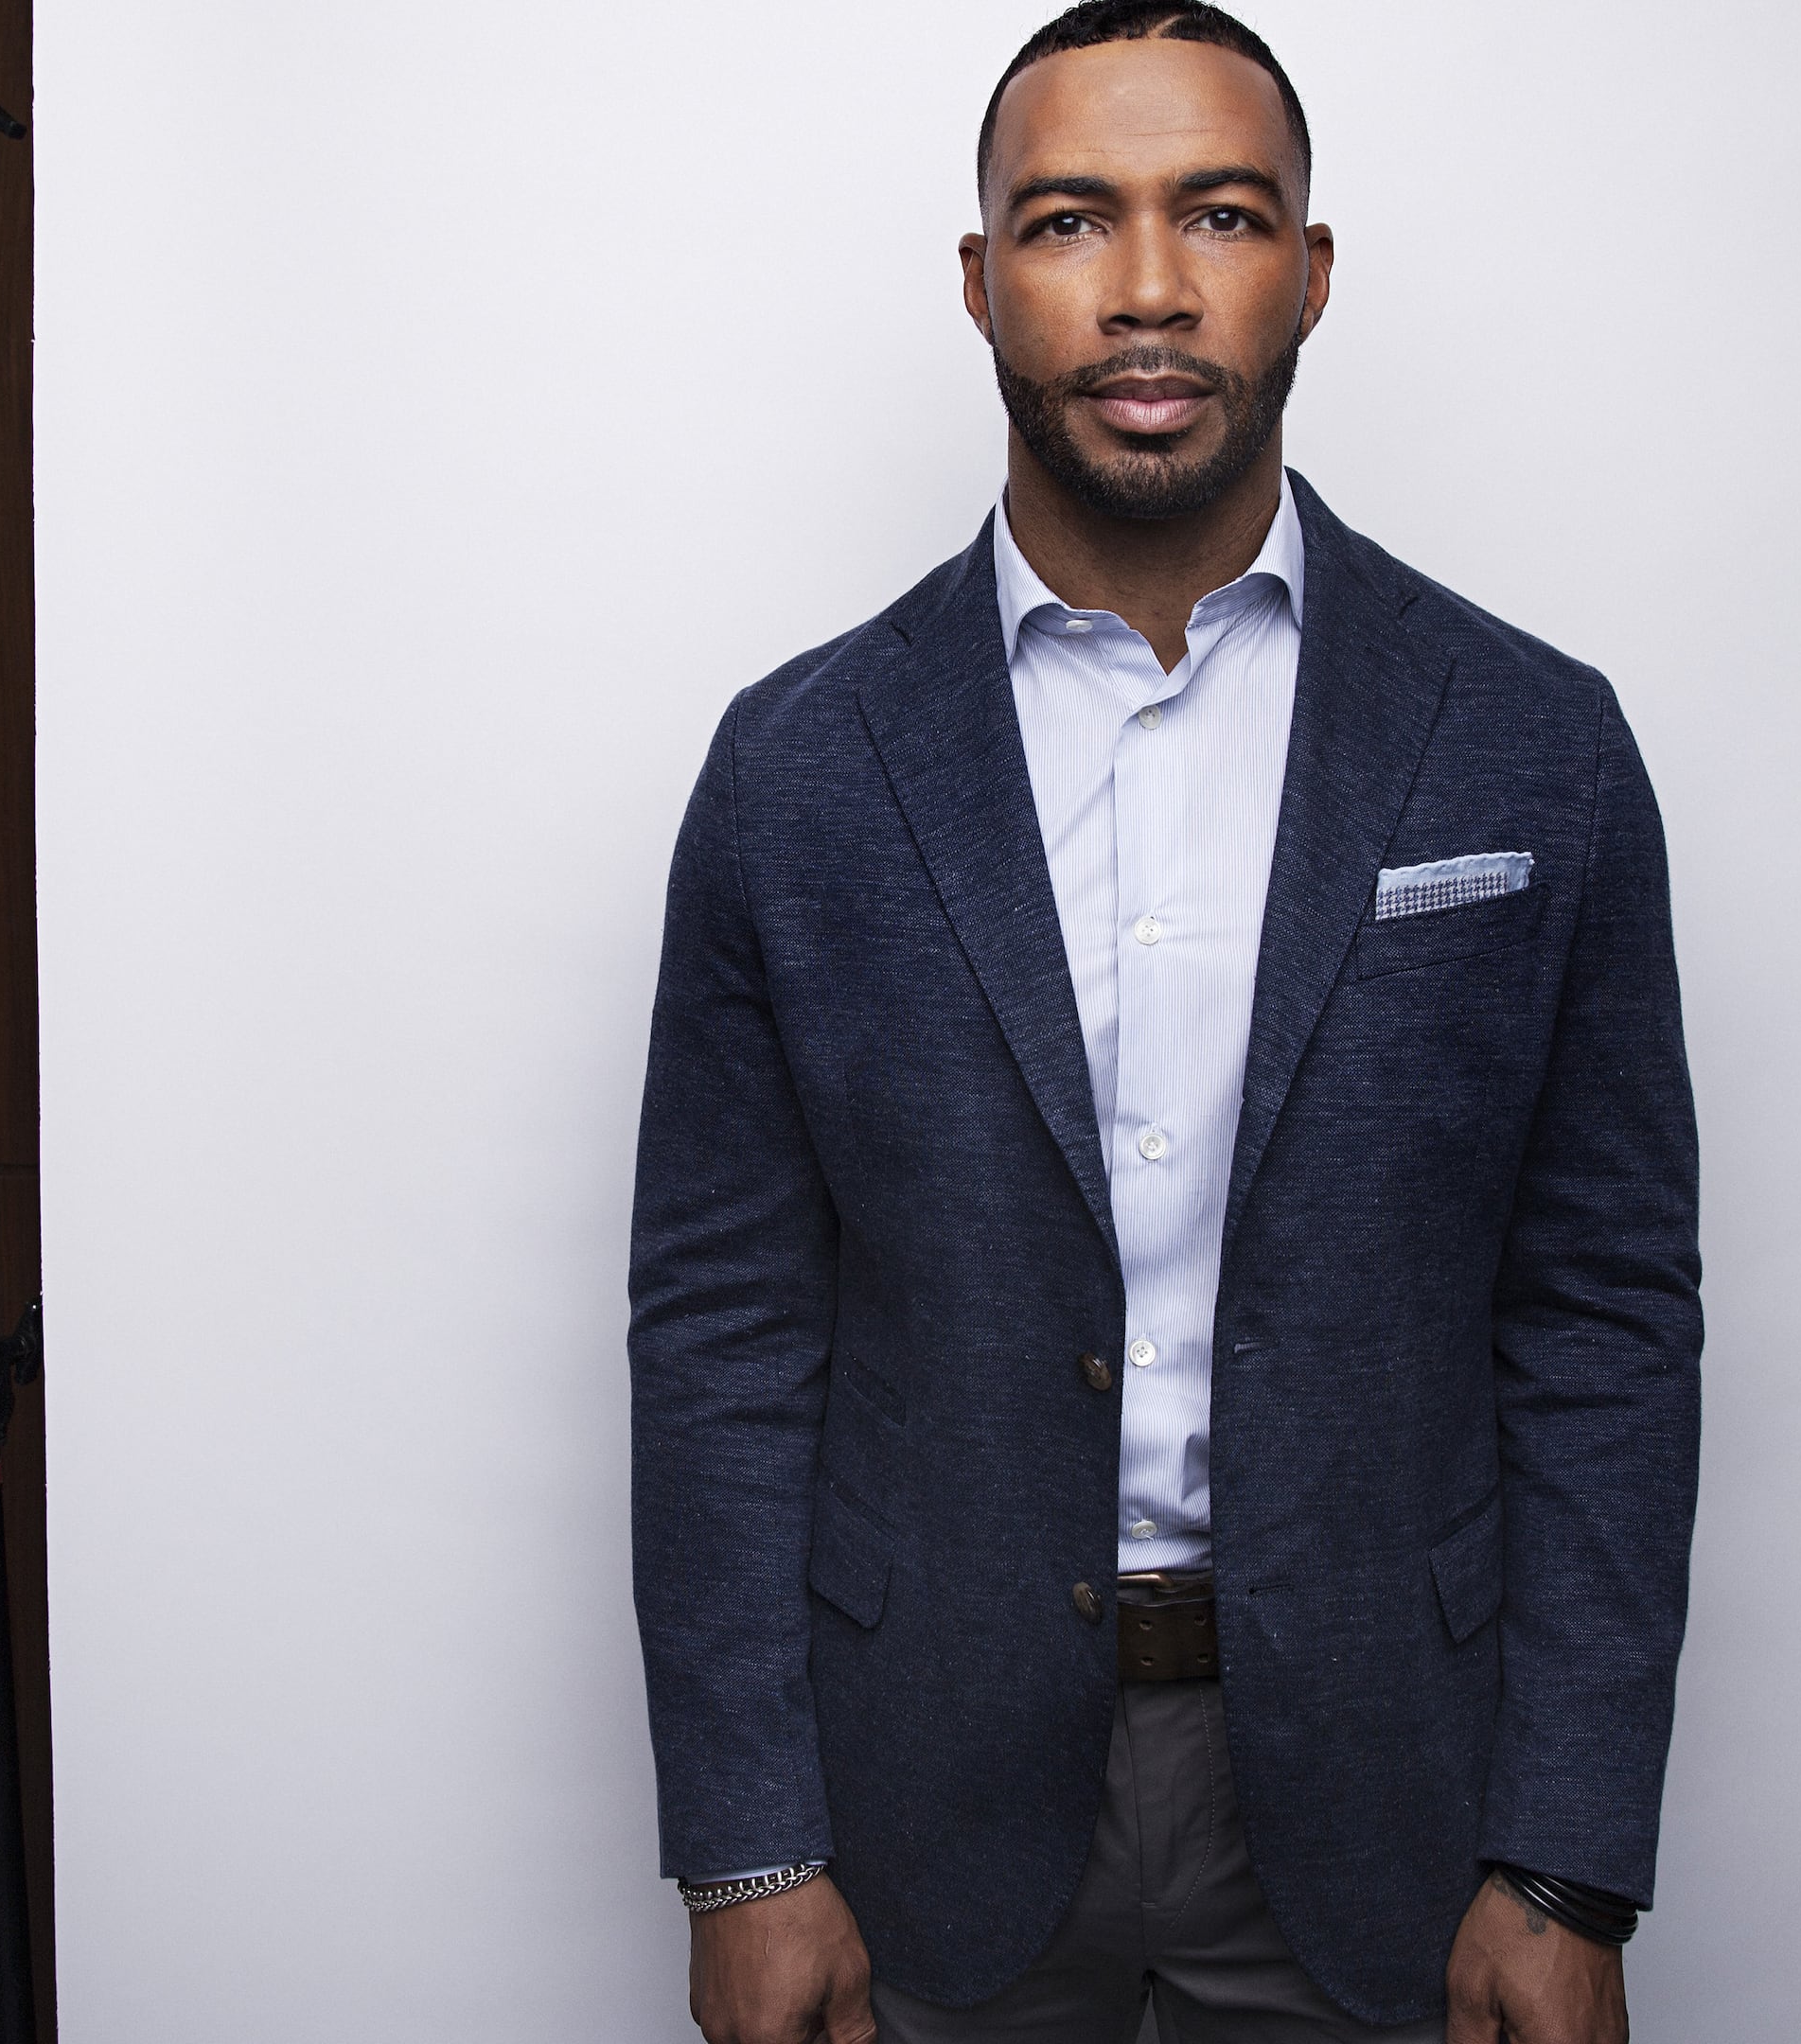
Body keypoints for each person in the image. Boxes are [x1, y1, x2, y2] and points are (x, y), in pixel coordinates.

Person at [627, 6, 1701, 2039]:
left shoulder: (1533, 747)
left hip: (1395, 1790)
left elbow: (1607, 1323)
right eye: (1065, 219)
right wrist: (747, 1853)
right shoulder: (798, 771)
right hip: (918, 1787)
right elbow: (724, 1338)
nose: (1144, 288)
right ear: (980, 283)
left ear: (1307, 269)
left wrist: (1565, 1860)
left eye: (1217, 214)